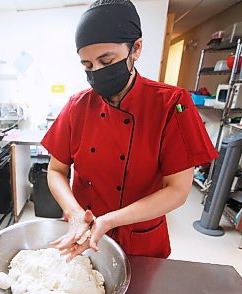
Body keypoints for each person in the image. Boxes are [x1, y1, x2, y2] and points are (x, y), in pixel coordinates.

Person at [41, 0, 218, 262]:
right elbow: (56, 171)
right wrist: (74, 212)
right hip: (84, 236)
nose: (97, 72)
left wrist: (111, 220)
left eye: (106, 60)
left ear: (136, 48)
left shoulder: (171, 104)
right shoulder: (77, 106)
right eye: (88, 66)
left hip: (141, 239)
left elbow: (177, 190)